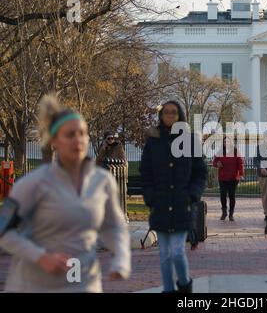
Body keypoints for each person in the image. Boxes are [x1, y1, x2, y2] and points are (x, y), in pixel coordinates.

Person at [0, 94, 131, 292]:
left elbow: (114, 226)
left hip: (84, 281)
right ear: (54, 141)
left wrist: (121, 259)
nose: (77, 140)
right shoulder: (32, 184)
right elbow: (4, 232)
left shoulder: (102, 182)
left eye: (82, 133)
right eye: (70, 135)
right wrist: (41, 256)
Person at [140, 100, 207, 293]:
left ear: (180, 116)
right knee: (164, 254)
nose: (169, 115)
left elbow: (200, 172)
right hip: (160, 203)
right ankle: (168, 290)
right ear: (161, 116)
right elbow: (146, 172)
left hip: (182, 204)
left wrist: (193, 194)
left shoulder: (189, 140)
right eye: (166, 112)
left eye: (174, 112)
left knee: (177, 251)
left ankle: (185, 286)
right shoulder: (153, 141)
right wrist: (150, 196)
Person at [212, 136, 245, 221]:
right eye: (224, 142)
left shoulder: (235, 151)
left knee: (231, 196)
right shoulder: (220, 152)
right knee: (223, 195)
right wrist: (217, 164)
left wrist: (241, 174)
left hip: (233, 178)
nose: (225, 143)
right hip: (222, 178)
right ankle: (224, 211)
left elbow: (240, 163)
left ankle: (231, 214)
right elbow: (214, 162)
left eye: (227, 142)